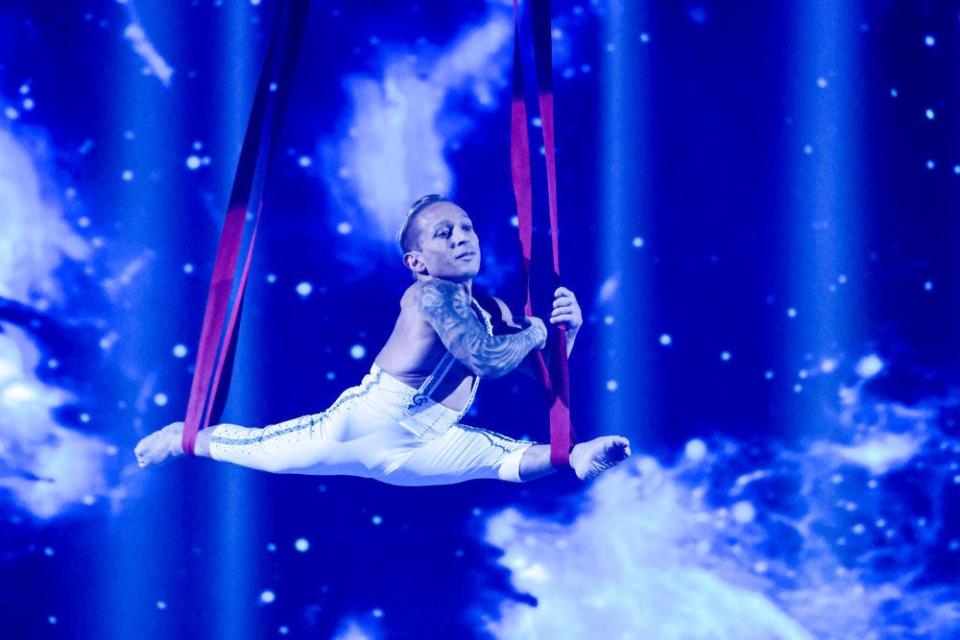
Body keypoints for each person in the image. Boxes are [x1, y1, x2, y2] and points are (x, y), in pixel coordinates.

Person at [135, 195, 631, 484]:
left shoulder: (495, 311)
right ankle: (182, 438)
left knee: (504, 458)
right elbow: (484, 358)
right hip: (363, 425)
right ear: (417, 262)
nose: (461, 237)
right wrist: (540, 330)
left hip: (427, 440)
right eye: (443, 234)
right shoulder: (430, 297)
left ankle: (575, 455)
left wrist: (568, 336)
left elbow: (538, 376)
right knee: (257, 449)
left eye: (466, 228)